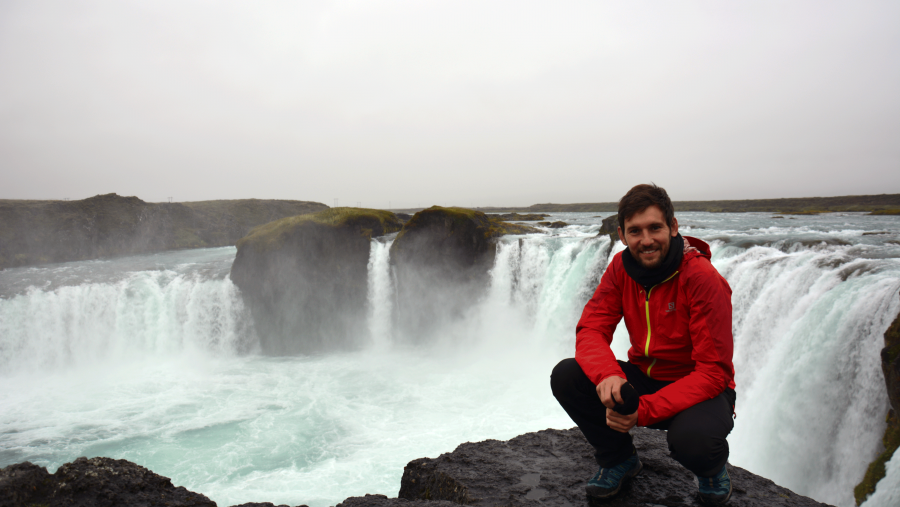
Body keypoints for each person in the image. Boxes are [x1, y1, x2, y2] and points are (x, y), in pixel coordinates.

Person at [550, 183, 736, 505]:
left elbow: (713, 372)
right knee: (567, 375)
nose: (646, 240)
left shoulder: (700, 277)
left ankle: (711, 470)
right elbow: (592, 329)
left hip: (701, 390)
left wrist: (643, 411)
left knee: (694, 442)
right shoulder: (620, 268)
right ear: (622, 235)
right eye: (635, 231)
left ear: (673, 227)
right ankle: (619, 459)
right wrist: (608, 375)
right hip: (646, 378)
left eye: (655, 228)